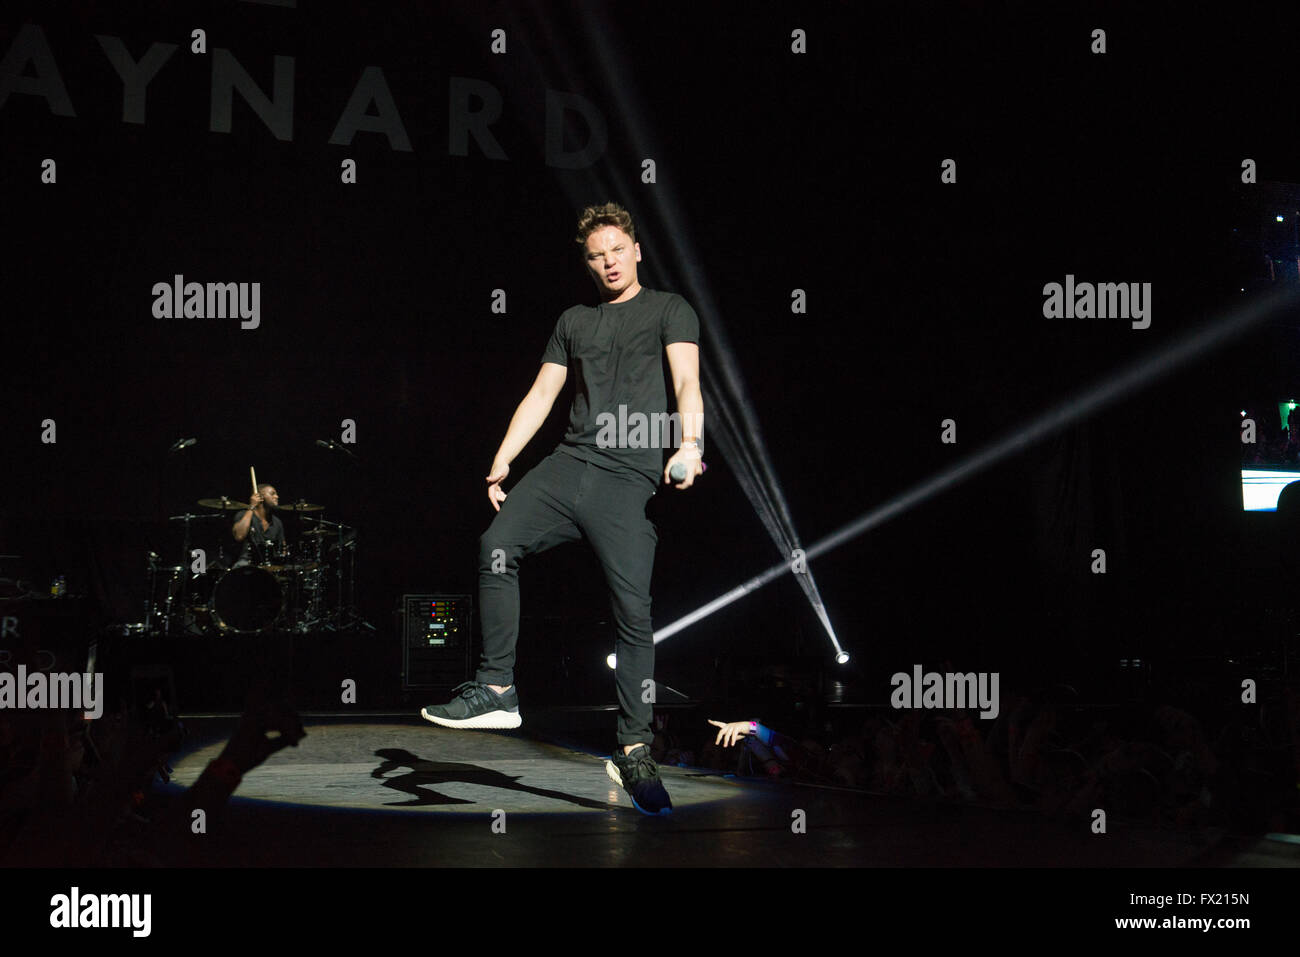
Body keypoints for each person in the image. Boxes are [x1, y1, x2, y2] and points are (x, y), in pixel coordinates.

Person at [421, 202, 704, 816]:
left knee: (633, 613)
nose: (607, 261)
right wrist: (502, 460)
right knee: (496, 544)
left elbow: (686, 383)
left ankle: (634, 747)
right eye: (595, 254)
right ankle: (497, 688)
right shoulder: (573, 320)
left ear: (635, 251)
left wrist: (689, 443)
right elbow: (542, 392)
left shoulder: (669, 309)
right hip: (567, 464)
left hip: (627, 474)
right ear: (588, 261)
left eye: (616, 249)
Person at [231, 484, 285, 567]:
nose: (277, 496)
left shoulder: (277, 522)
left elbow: (282, 548)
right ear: (260, 497)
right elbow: (239, 536)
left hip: (270, 564)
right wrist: (252, 506)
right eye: (272, 494)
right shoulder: (243, 515)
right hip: (247, 562)